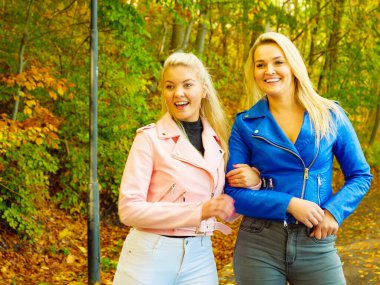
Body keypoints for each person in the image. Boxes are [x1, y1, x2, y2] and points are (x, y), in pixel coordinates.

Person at [224, 32, 373, 285]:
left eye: (278, 62)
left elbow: (360, 176)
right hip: (258, 243)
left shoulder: (330, 115)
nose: (269, 70)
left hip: (315, 241)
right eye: (260, 65)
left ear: (292, 64)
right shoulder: (245, 124)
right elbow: (232, 194)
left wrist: (334, 213)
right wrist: (289, 204)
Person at [113, 52, 260, 285]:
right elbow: (129, 210)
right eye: (170, 86)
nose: (178, 93)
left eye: (187, 85)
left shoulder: (217, 142)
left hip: (200, 255)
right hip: (150, 255)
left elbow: (224, 212)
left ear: (203, 90)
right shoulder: (149, 139)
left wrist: (253, 184)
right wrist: (199, 211)